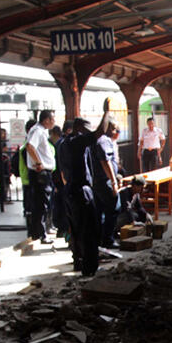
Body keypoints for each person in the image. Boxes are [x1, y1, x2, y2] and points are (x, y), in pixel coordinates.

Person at [63, 100, 112, 275]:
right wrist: (106, 112)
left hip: (69, 190)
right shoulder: (77, 141)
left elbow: (62, 173)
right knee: (89, 230)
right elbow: (99, 132)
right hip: (81, 191)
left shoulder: (63, 143)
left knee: (76, 229)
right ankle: (89, 268)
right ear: (80, 128)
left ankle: (78, 262)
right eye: (86, 129)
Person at [25, 109, 56, 243]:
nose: (54, 122)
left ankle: (37, 232)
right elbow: (30, 146)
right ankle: (41, 233)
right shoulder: (37, 131)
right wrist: (38, 162)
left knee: (41, 202)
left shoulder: (41, 130)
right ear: (46, 120)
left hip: (43, 171)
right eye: (52, 119)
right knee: (41, 203)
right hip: (40, 173)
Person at [92, 121, 122, 248]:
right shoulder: (103, 141)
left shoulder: (101, 140)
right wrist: (113, 181)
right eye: (114, 129)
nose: (116, 132)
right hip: (104, 181)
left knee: (100, 210)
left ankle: (100, 238)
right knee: (114, 206)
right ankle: (107, 239)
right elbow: (105, 161)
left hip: (100, 181)